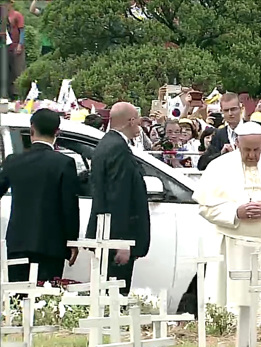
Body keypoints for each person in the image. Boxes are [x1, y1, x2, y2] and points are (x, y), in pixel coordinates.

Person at [192, 121, 261, 339]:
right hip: (231, 248)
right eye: (247, 150)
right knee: (232, 305)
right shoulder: (219, 166)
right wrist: (235, 212)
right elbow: (205, 207)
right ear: (237, 144)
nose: (252, 155)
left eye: (256, 150)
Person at [0, 109, 80, 281]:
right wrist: (72, 240)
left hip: (18, 242)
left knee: (17, 299)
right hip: (51, 245)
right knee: (45, 297)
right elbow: (69, 206)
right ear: (57, 132)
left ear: (31, 129)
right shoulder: (64, 163)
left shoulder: (13, 161)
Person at [86, 102, 150, 295]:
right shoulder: (117, 149)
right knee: (115, 296)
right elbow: (118, 196)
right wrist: (122, 242)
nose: (139, 124)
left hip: (108, 233)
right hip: (115, 237)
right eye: (138, 120)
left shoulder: (108, 143)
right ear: (131, 121)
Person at [197, 92, 261, 170]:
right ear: (221, 111)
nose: (230, 113)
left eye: (233, 109)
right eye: (226, 110)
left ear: (241, 108)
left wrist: (255, 149)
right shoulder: (219, 134)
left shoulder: (258, 128)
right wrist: (221, 154)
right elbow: (202, 164)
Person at [6, 0, 25, 100]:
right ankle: (9, 94)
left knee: (19, 70)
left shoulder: (17, 15)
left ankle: (20, 94)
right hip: (6, 48)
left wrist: (20, 44)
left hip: (16, 46)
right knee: (8, 72)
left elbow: (22, 30)